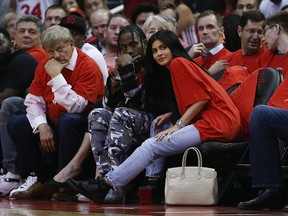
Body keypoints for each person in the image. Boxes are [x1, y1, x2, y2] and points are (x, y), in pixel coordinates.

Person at [66, 29, 242, 203]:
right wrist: (171, 115)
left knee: (151, 146)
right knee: (156, 130)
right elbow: (200, 97)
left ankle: (105, 185)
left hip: (218, 122)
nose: (159, 53)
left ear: (174, 46)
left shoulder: (178, 63)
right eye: (155, 50)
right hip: (220, 121)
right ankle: (136, 183)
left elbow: (201, 100)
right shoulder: (180, 64)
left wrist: (178, 125)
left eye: (163, 47)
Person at [6, 25, 104, 200]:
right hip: (54, 120)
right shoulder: (44, 65)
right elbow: (33, 101)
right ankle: (40, 178)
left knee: (69, 119)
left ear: (71, 44)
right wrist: (42, 126)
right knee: (16, 123)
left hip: (84, 128)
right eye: (50, 52)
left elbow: (77, 107)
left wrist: (56, 77)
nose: (56, 56)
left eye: (60, 49)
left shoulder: (87, 65)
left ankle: (68, 180)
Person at [59, 14, 108, 85]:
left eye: (74, 33)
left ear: (84, 38)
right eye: (64, 33)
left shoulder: (90, 55)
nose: (68, 37)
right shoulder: (56, 52)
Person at [221, 10, 268, 74]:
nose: (255, 37)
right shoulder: (226, 62)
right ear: (239, 31)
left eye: (259, 32)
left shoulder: (269, 59)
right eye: (251, 31)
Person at [192, 10, 231, 75]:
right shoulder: (194, 62)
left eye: (210, 27)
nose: (204, 32)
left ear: (221, 31)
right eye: (201, 28)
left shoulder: (230, 58)